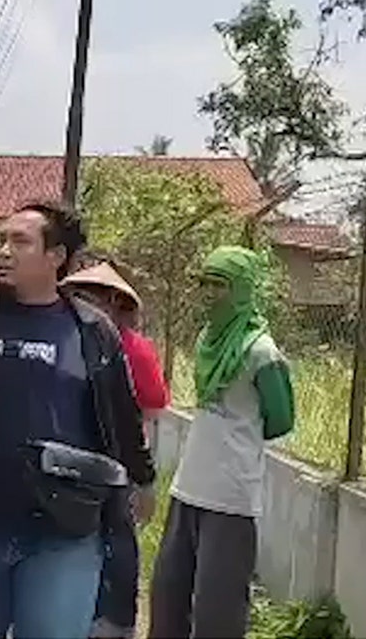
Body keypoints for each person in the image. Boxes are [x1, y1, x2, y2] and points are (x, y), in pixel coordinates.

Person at [0, 202, 156, 639]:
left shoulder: (92, 330)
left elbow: (121, 413)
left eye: (20, 241)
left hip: (65, 533)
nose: (4, 251)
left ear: (56, 257)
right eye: (1, 240)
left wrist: (143, 480)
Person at [149, 246, 294, 639]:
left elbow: (281, 419)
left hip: (230, 497)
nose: (210, 293)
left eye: (221, 285)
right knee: (168, 597)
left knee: (219, 609)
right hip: (188, 487)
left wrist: (234, 439)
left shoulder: (261, 352)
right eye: (205, 283)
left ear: (243, 289)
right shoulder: (206, 340)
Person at [62, 261, 170, 639]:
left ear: (113, 301)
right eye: (78, 294)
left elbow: (154, 405)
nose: (84, 302)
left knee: (118, 543)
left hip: (118, 460)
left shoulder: (135, 349)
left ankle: (115, 625)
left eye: (92, 296)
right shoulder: (62, 334)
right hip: (71, 461)